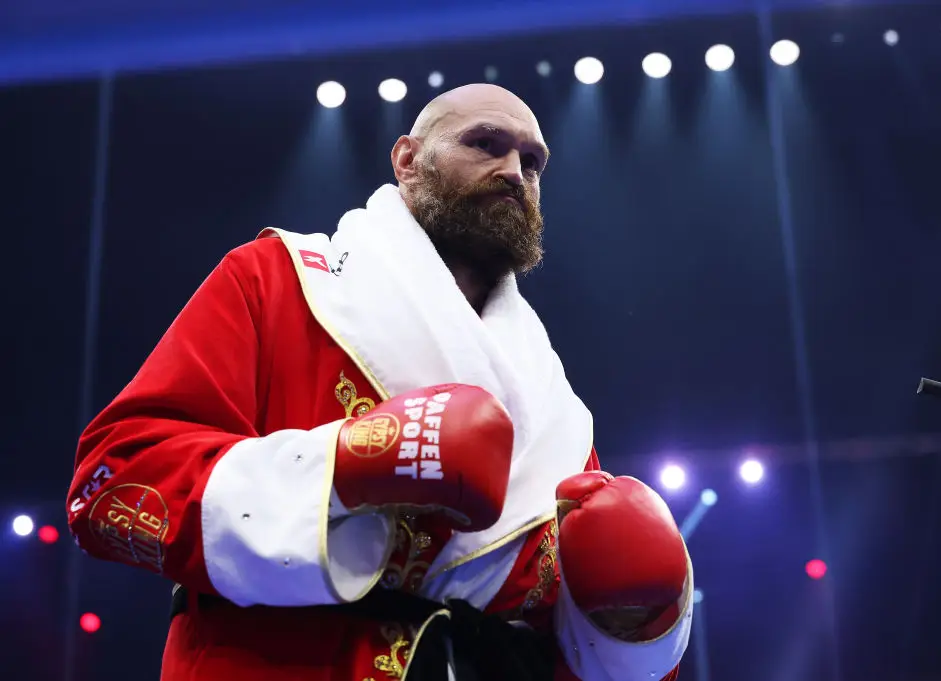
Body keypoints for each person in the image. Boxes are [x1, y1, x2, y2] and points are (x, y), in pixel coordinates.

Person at [67, 83, 693, 681]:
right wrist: (344, 466)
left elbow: (569, 650)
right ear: (408, 160)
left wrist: (629, 621)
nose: (513, 170)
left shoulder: (553, 409)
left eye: (532, 161)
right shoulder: (281, 282)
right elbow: (113, 481)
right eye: (485, 143)